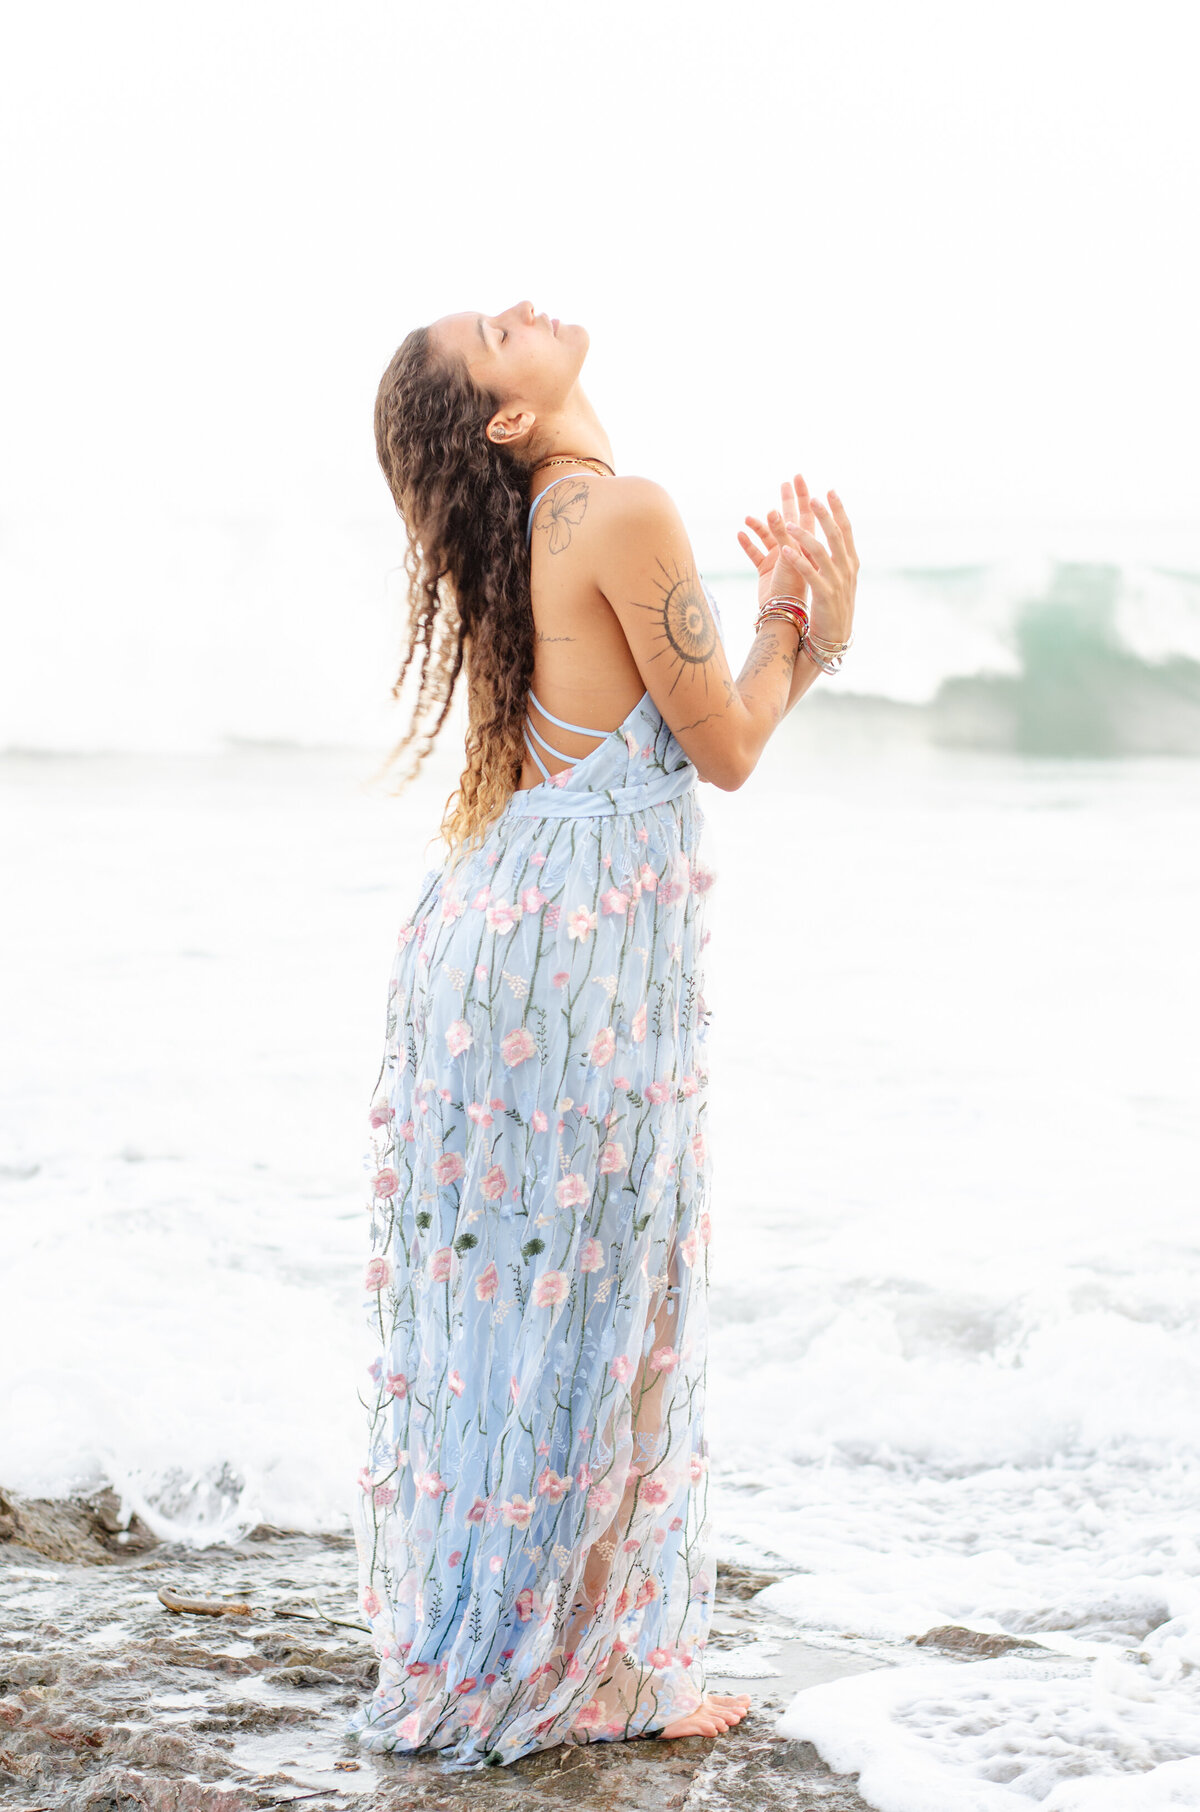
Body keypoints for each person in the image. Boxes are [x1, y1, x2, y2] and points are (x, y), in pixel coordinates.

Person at [349, 299, 858, 1771]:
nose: (518, 309)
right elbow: (732, 749)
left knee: (533, 1309)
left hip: (492, 951)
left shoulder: (524, 540)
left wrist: (781, 626)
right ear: (506, 420)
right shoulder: (619, 513)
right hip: (567, 970)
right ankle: (601, 1672)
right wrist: (807, 632)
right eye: (490, 336)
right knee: (605, 1293)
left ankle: (536, 1650)